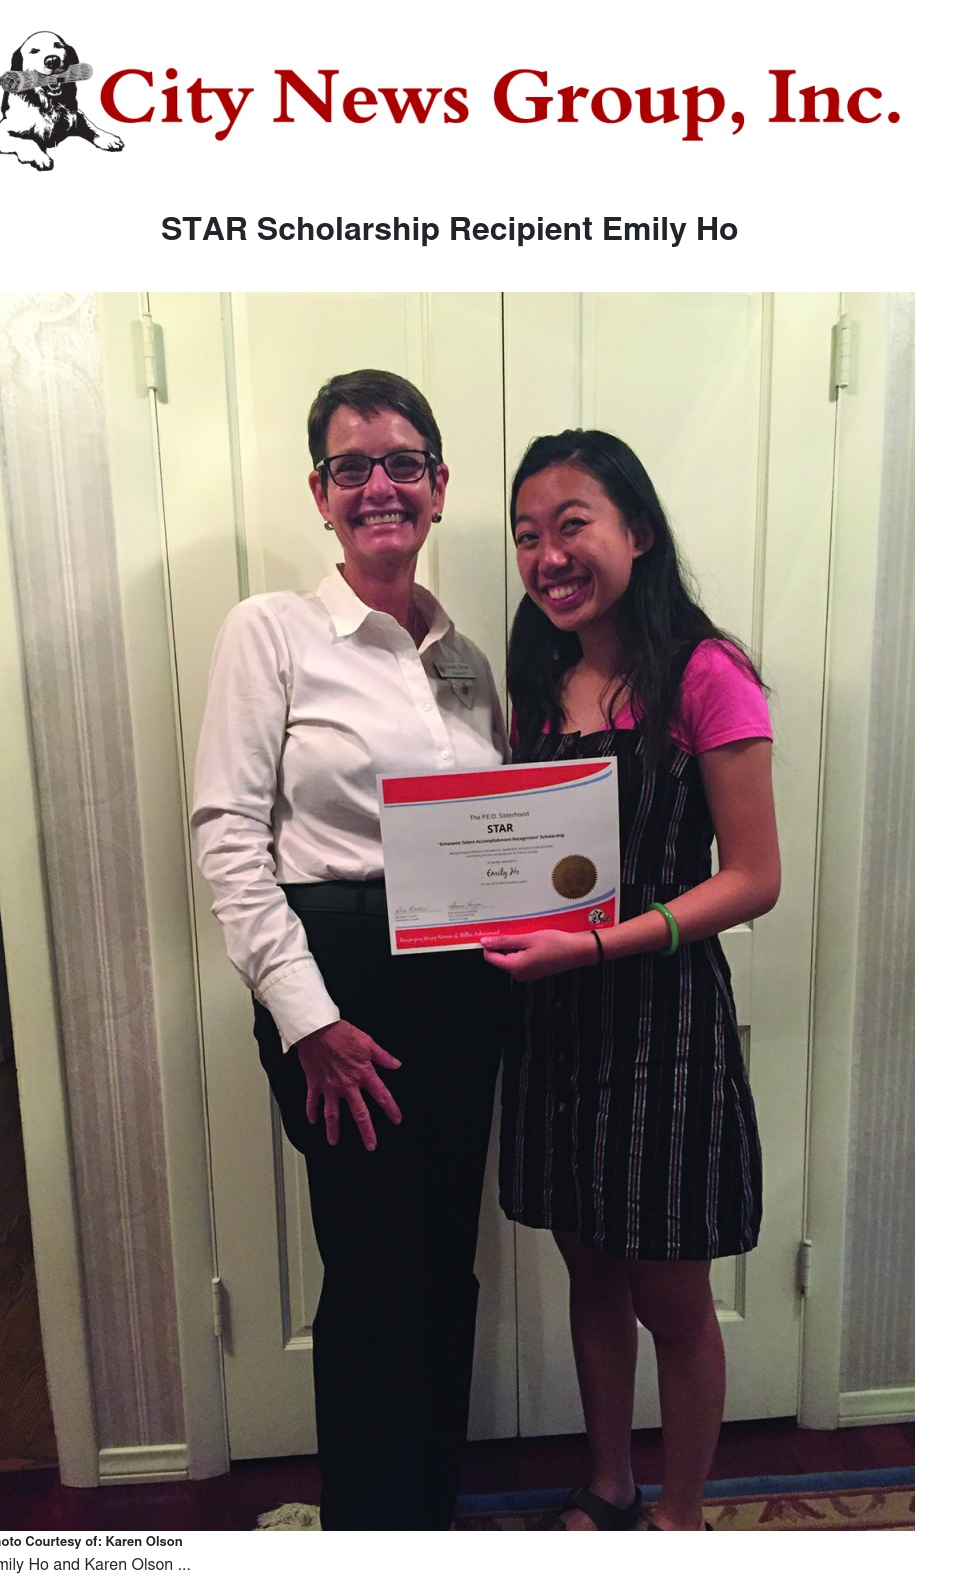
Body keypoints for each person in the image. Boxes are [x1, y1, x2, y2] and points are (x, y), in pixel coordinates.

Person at [191, 370, 508, 1531]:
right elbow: (227, 834)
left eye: (404, 462)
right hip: (339, 987)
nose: (381, 484)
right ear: (321, 493)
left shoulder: (466, 658)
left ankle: (429, 1511)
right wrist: (308, 1019)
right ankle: (373, 1528)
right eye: (352, 466)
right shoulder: (270, 630)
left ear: (438, 485)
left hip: (464, 987)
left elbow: (498, 833)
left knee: (445, 1261)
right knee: (375, 1270)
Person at [481, 429, 781, 1533]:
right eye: (527, 535)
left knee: (670, 1293)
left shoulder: (707, 672)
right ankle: (608, 1483)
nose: (548, 555)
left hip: (663, 1021)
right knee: (591, 1269)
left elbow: (754, 877)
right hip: (554, 1021)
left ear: (638, 532)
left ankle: (681, 1519)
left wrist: (600, 944)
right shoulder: (537, 679)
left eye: (573, 525)